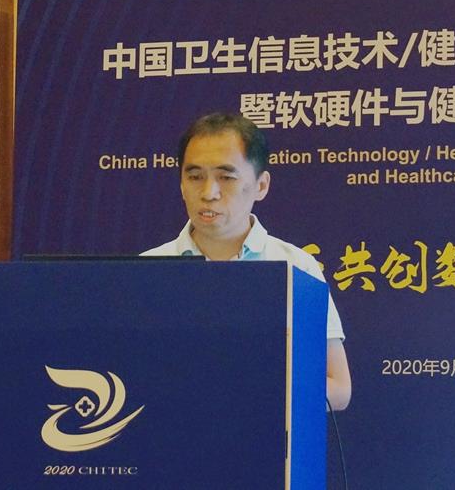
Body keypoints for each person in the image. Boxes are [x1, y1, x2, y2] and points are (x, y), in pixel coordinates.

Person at [141, 112, 352, 410]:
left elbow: (339, 389)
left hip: (264, 434)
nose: (208, 193)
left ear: (261, 185)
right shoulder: (145, 270)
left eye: (226, 177)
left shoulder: (296, 268)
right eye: (195, 176)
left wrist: (251, 387)